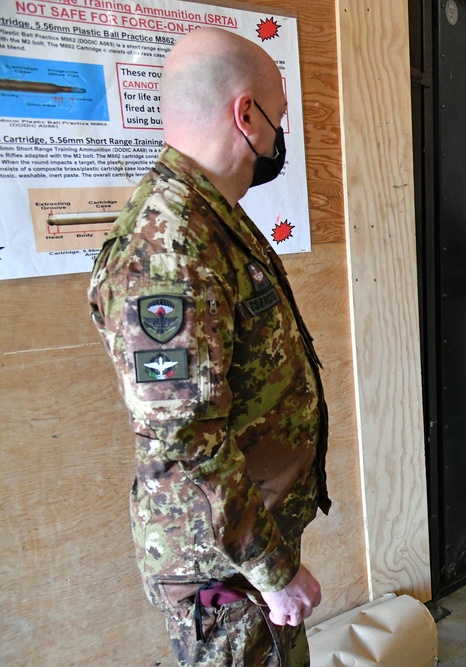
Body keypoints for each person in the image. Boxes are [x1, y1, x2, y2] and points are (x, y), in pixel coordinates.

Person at [88, 28, 330, 665]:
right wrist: (273, 570)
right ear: (245, 113)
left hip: (244, 547)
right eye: (277, 119)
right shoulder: (169, 248)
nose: (279, 137)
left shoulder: (209, 213)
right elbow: (184, 442)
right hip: (222, 570)